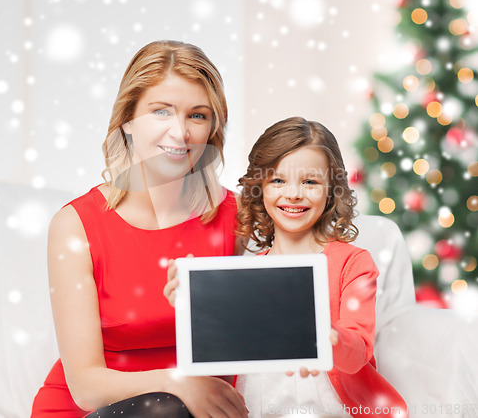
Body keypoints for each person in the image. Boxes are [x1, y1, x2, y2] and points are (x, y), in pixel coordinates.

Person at [31, 40, 249, 418]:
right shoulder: (76, 226)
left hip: (197, 411)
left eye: (197, 116)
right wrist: (176, 382)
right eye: (161, 111)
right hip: (97, 411)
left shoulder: (236, 216)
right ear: (128, 119)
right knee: (166, 409)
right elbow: (85, 386)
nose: (180, 133)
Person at [165, 117, 408, 418]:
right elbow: (224, 351)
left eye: (310, 181)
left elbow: (358, 352)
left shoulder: (352, 263)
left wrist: (329, 335)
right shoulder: (246, 273)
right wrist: (195, 307)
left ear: (331, 189)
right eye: (278, 180)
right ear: (260, 187)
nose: (293, 194)